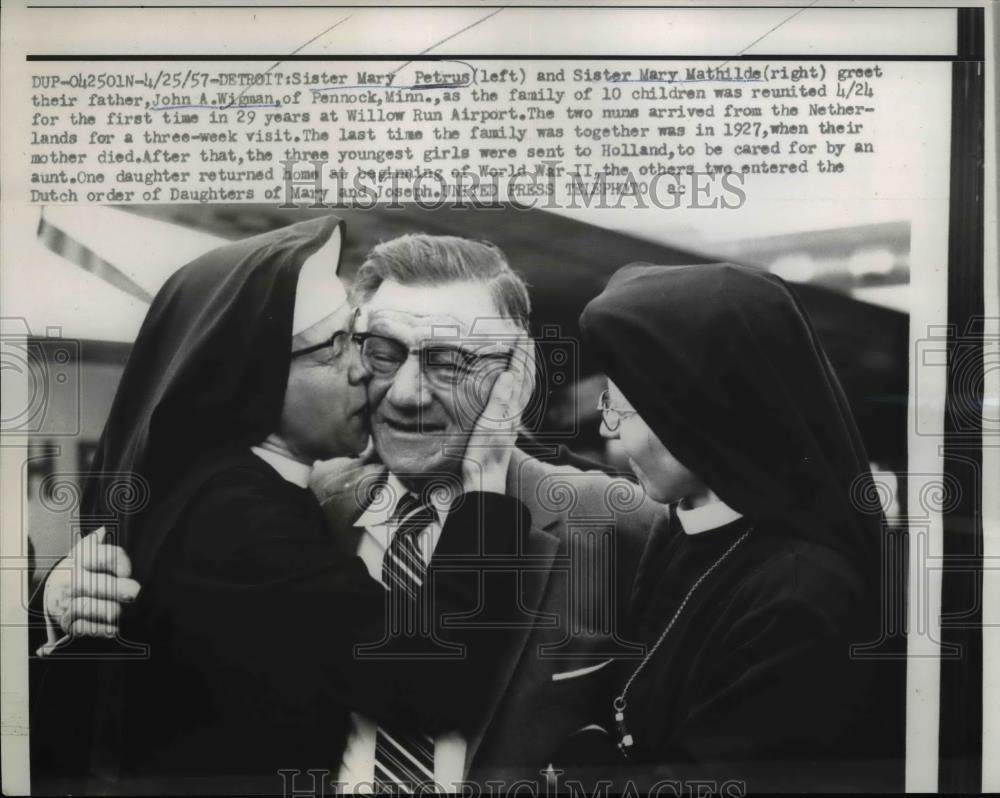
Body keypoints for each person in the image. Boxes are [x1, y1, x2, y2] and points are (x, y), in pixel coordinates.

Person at [40, 232, 661, 792]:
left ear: (513, 377)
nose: (405, 392)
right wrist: (63, 591)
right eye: (382, 351)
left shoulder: (617, 522)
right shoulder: (301, 504)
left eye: (450, 361)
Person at [555, 262, 903, 791]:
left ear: (693, 412)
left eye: (621, 409)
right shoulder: (685, 526)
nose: (606, 427)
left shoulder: (802, 595)